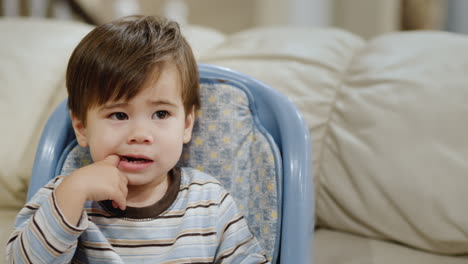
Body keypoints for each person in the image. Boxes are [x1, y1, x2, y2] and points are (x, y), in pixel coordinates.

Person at [6, 15, 269, 264]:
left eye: (161, 113)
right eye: (119, 114)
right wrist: (73, 193)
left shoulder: (210, 202)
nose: (140, 134)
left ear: (186, 125)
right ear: (82, 128)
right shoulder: (64, 196)